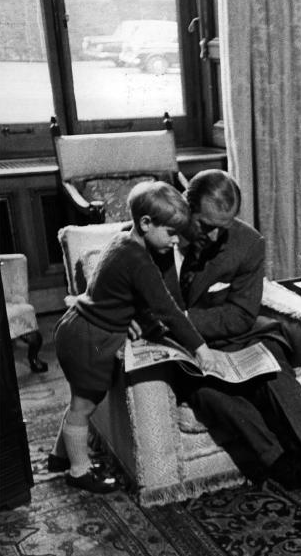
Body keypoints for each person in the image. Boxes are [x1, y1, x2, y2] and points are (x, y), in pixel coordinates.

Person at [159, 169, 301, 546]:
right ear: (186, 210)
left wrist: (183, 319)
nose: (215, 235)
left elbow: (240, 315)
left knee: (273, 373)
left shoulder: (247, 242)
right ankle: (282, 465)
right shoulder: (158, 235)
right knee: (208, 395)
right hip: (189, 350)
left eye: (224, 225)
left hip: (244, 335)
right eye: (206, 225)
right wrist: (180, 328)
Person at [51, 181, 217, 493]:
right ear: (145, 223)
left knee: (79, 400)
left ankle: (60, 456)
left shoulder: (122, 240)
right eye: (171, 232)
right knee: (83, 405)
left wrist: (126, 317)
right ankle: (78, 470)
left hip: (78, 326)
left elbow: (116, 293)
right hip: (91, 339)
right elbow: (167, 311)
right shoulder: (141, 262)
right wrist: (201, 349)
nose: (176, 240)